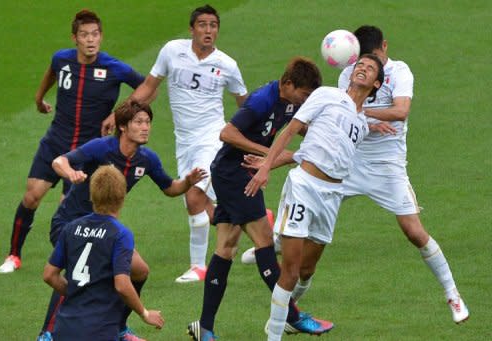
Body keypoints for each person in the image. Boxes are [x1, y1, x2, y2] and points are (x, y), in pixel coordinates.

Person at [187, 57, 332, 341]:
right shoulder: (261, 101)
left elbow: (299, 124)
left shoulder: (291, 100)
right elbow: (227, 133)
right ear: (288, 84)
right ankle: (291, 317)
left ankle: (204, 328)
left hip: (238, 173)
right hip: (234, 174)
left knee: (226, 247)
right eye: (304, 95)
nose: (305, 100)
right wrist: (268, 152)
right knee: (264, 242)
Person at [37, 100, 206, 341]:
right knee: (75, 272)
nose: (145, 127)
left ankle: (118, 326)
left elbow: (170, 188)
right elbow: (59, 161)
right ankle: (47, 333)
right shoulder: (101, 147)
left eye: (148, 122)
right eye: (139, 122)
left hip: (104, 226)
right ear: (123, 126)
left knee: (140, 271)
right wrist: (71, 173)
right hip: (69, 223)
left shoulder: (146, 159)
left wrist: (188, 181)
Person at [245, 54, 385, 340]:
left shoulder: (361, 124)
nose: (362, 69)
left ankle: (286, 311)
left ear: (376, 83)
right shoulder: (326, 95)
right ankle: (274, 334)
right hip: (304, 187)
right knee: (291, 270)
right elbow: (291, 130)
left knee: (308, 270)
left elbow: (324, 151)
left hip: (332, 196)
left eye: (370, 68)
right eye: (360, 65)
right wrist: (266, 167)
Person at [334, 25, 468, 323]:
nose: (370, 67)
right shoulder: (349, 73)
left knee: (414, 231)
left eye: (375, 60)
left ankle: (453, 295)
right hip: (350, 162)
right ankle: (277, 246)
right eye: (364, 61)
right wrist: (362, 117)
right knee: (314, 214)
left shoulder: (401, 71)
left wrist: (361, 113)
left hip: (388, 167)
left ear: (385, 47)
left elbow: (401, 111)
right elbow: (342, 114)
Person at [0, 9, 145, 274]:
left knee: (67, 206)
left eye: (95, 34)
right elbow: (51, 73)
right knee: (32, 196)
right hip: (56, 140)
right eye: (84, 35)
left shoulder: (114, 67)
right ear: (74, 38)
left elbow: (146, 87)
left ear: (101, 37)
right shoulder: (62, 60)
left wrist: (117, 113)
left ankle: (66, 259)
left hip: (87, 151)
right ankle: (13, 255)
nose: (90, 40)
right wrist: (39, 98)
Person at [130, 4, 248, 283]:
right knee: (210, 205)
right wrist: (123, 113)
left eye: (214, 26)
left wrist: (242, 138)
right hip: (184, 141)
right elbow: (149, 86)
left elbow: (245, 104)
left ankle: (199, 267)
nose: (209, 31)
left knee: (194, 196)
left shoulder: (227, 65)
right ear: (192, 28)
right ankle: (258, 224)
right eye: (203, 25)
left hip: (212, 138)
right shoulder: (172, 51)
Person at [42, 165, 165, 340]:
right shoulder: (120, 234)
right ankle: (123, 333)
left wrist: (75, 293)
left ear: (92, 196)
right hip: (100, 331)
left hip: (64, 329)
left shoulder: (70, 228)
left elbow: (49, 275)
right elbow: (122, 285)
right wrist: (144, 313)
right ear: (122, 197)